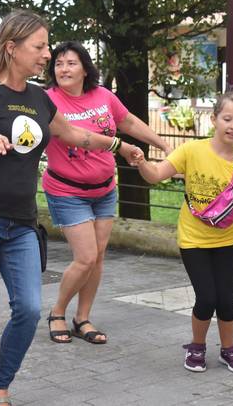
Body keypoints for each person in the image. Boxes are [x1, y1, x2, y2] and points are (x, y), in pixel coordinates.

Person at [0, 10, 144, 406]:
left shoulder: (38, 99)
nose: (48, 54)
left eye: (47, 46)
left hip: (20, 223)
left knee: (29, 309)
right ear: (12, 48)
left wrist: (120, 145)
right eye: (40, 47)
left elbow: (77, 135)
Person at [43, 41, 173, 345]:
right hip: (66, 190)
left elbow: (127, 121)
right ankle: (57, 312)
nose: (63, 68)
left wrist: (163, 145)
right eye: (59, 63)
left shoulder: (103, 96)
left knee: (98, 257)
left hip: (104, 189)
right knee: (86, 257)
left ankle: (82, 318)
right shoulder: (47, 101)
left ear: (85, 68)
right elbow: (81, 137)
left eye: (71, 63)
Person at [136, 91, 233, 374]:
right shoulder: (192, 151)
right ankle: (197, 346)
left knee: (226, 300)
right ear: (214, 119)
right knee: (207, 298)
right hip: (193, 240)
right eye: (227, 118)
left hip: (227, 239)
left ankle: (228, 349)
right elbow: (156, 174)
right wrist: (141, 162)